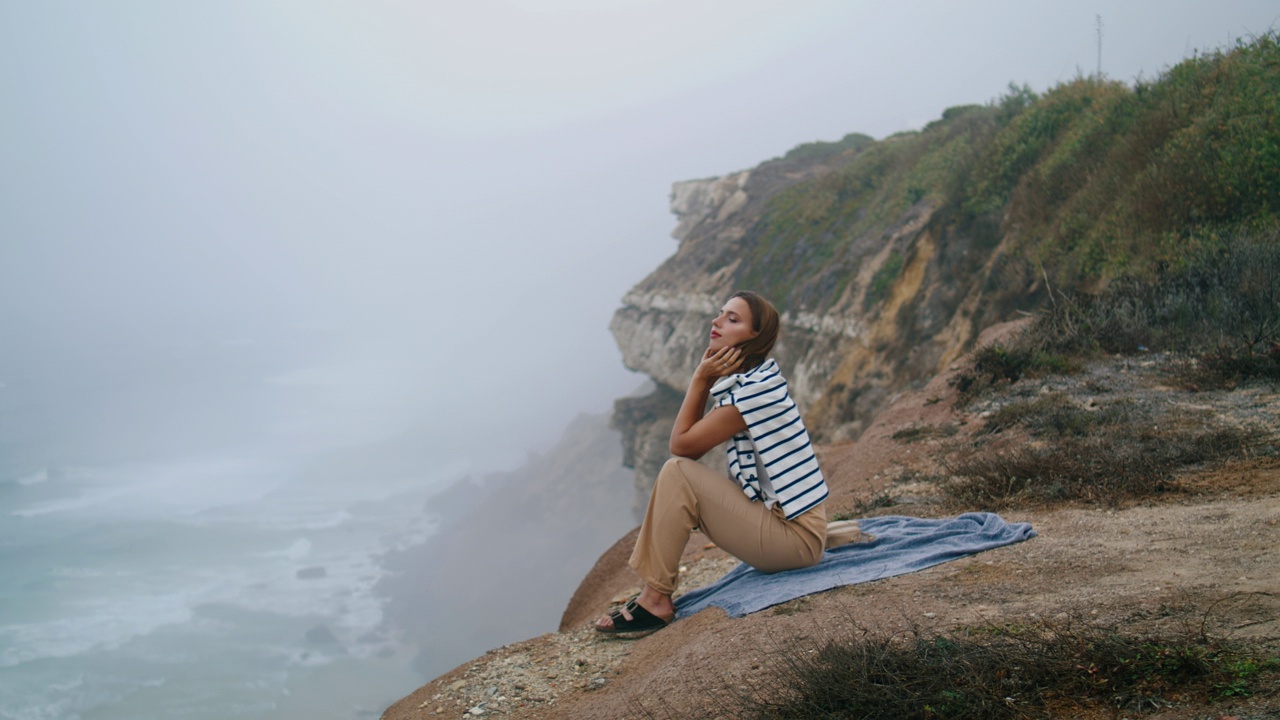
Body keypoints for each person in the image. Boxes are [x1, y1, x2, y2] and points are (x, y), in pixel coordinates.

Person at [595, 290, 837, 635]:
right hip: (790, 530)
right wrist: (705, 381)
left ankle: (656, 600)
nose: (717, 321)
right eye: (721, 313)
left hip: (796, 542)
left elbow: (682, 447)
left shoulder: (752, 395)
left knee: (677, 472)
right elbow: (690, 444)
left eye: (732, 319)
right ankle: (653, 594)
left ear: (755, 336)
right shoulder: (756, 380)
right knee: (679, 473)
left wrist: (699, 378)